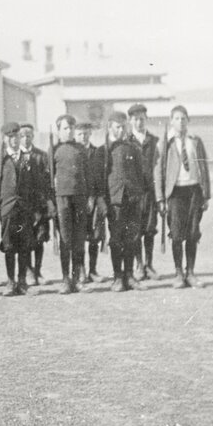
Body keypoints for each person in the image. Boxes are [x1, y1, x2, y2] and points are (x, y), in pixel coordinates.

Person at [155, 105, 211, 289]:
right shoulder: (165, 143)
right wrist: (160, 199)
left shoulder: (195, 141)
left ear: (188, 120)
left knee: (193, 233)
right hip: (175, 193)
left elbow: (204, 168)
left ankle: (191, 272)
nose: (180, 122)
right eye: (177, 118)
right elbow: (158, 172)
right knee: (177, 234)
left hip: (194, 191)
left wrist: (206, 194)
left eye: (183, 118)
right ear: (171, 121)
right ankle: (178, 273)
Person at [0, 122, 38, 296]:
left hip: (24, 210)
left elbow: (35, 185)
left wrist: (36, 208)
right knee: (9, 245)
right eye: (10, 138)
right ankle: (11, 281)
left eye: (16, 137)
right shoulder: (0, 160)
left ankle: (22, 281)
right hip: (7, 209)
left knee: (24, 245)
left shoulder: (27, 158)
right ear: (4, 139)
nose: (14, 141)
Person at [104, 112, 147, 292]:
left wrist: (139, 196)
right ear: (110, 127)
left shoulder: (133, 149)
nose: (121, 130)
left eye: (123, 126)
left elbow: (140, 175)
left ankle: (129, 275)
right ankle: (118, 277)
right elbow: (101, 178)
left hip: (132, 199)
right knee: (116, 239)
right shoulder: (104, 150)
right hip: (115, 201)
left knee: (132, 238)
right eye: (117, 127)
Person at [51, 115, 93, 294]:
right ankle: (66, 279)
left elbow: (89, 175)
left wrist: (90, 197)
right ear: (59, 131)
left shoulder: (81, 149)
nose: (69, 131)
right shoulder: (53, 150)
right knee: (65, 240)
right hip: (62, 199)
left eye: (71, 128)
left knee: (78, 240)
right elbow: (49, 178)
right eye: (65, 128)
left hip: (80, 198)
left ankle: (78, 279)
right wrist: (51, 202)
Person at [127, 103, 160, 280]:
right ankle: (138, 265)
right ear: (130, 121)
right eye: (136, 119)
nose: (139, 122)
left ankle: (149, 264)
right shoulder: (126, 141)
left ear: (146, 120)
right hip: (133, 194)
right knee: (135, 230)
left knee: (149, 228)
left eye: (142, 119)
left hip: (150, 192)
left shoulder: (154, 141)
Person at [18, 123, 51, 286]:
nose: (25, 139)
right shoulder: (15, 156)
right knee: (25, 239)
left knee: (39, 238)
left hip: (39, 204)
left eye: (29, 135)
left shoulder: (41, 155)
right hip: (23, 207)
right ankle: (28, 270)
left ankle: (38, 271)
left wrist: (47, 203)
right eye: (22, 136)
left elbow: (47, 181)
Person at [75, 122, 107, 283]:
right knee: (79, 236)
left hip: (94, 200)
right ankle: (81, 270)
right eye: (80, 134)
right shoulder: (73, 152)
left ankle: (93, 270)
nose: (83, 137)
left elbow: (100, 177)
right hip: (78, 200)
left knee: (95, 237)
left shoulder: (97, 152)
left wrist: (95, 198)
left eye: (86, 134)